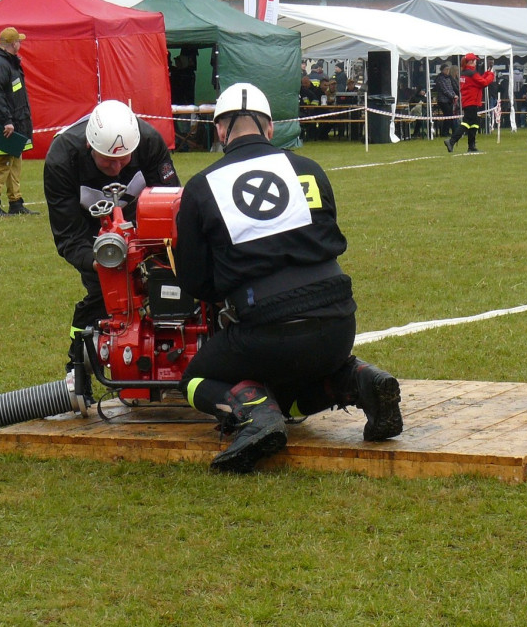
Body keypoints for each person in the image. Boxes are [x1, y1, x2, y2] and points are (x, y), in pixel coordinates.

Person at [174, 82, 403, 473]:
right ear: (269, 128)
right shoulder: (310, 169)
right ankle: (358, 379)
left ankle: (256, 414)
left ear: (220, 131)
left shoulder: (200, 188)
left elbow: (195, 282)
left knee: (194, 380)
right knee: (294, 397)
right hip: (337, 327)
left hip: (265, 332)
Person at [43, 99, 180, 398]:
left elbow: (171, 205)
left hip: (145, 229)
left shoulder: (150, 143)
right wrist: (105, 264)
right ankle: (77, 368)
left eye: (124, 160)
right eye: (107, 161)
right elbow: (68, 237)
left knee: (171, 288)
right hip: (97, 238)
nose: (117, 167)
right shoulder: (61, 159)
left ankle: (172, 363)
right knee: (103, 297)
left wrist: (158, 251)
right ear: (90, 148)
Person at [0, 27, 36, 216]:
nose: (21, 43)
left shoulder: (8, 63)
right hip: (4, 124)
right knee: (0, 162)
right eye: (19, 41)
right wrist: (6, 121)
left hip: (14, 121)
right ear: (13, 44)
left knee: (14, 161)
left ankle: (16, 203)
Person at [444, 53, 494, 154]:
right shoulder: (471, 73)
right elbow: (484, 83)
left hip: (468, 101)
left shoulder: (465, 73)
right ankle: (452, 141)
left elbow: (478, 81)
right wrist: (491, 74)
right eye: (475, 60)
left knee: (474, 124)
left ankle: (471, 146)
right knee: (467, 123)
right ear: (471, 62)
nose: (476, 62)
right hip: (472, 101)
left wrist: (487, 73)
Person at [434, 63, 459, 137]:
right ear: (442, 70)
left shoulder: (448, 78)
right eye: (446, 69)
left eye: (448, 69)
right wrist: (452, 96)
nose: (447, 71)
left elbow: (451, 88)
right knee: (447, 115)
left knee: (449, 116)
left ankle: (447, 131)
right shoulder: (440, 78)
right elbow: (444, 90)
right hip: (442, 100)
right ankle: (444, 132)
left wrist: (454, 95)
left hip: (449, 100)